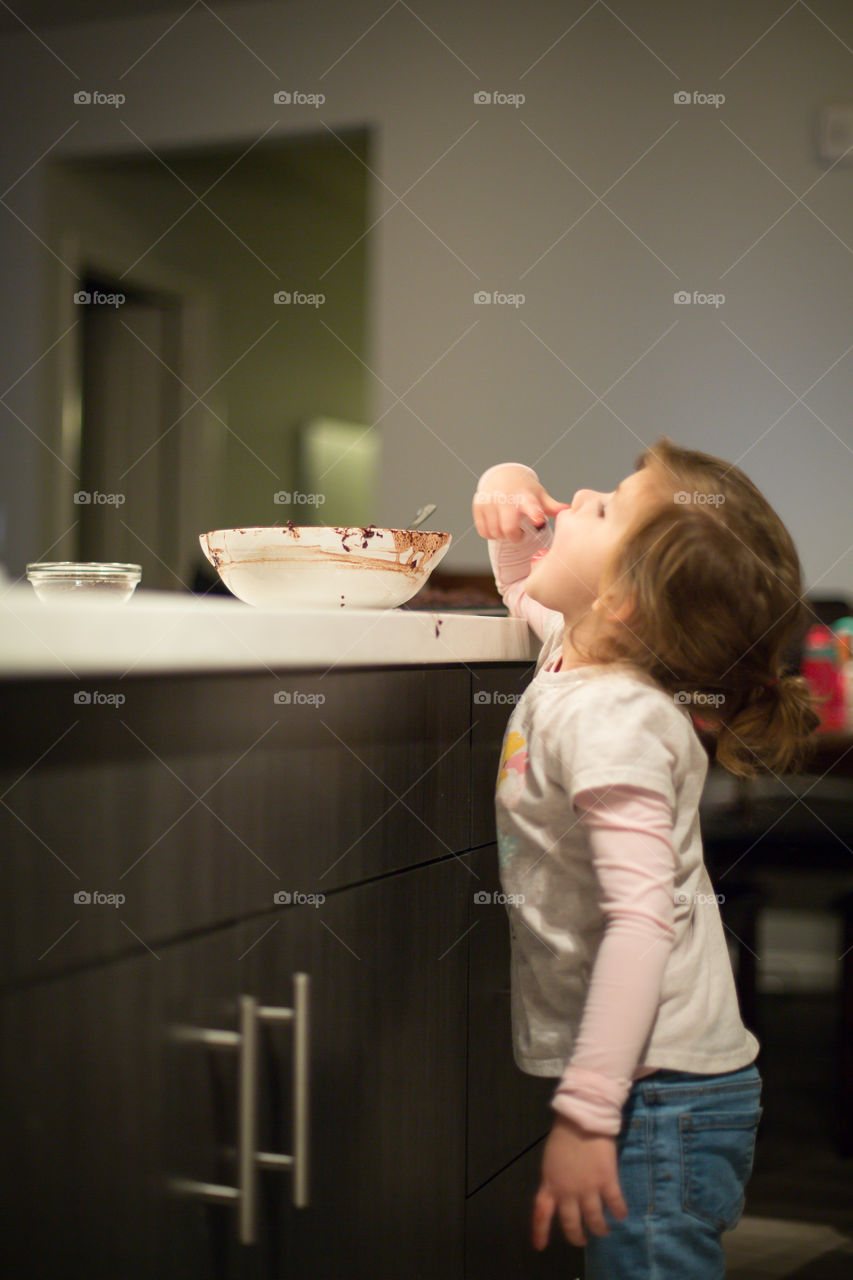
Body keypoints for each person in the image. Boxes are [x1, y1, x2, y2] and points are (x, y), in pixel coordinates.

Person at [472, 437, 819, 1280]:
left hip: (661, 1097)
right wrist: (502, 486)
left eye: (605, 507)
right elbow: (523, 585)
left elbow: (642, 923)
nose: (580, 493)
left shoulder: (616, 720)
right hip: (647, 1080)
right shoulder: (576, 652)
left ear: (623, 600)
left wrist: (588, 1117)